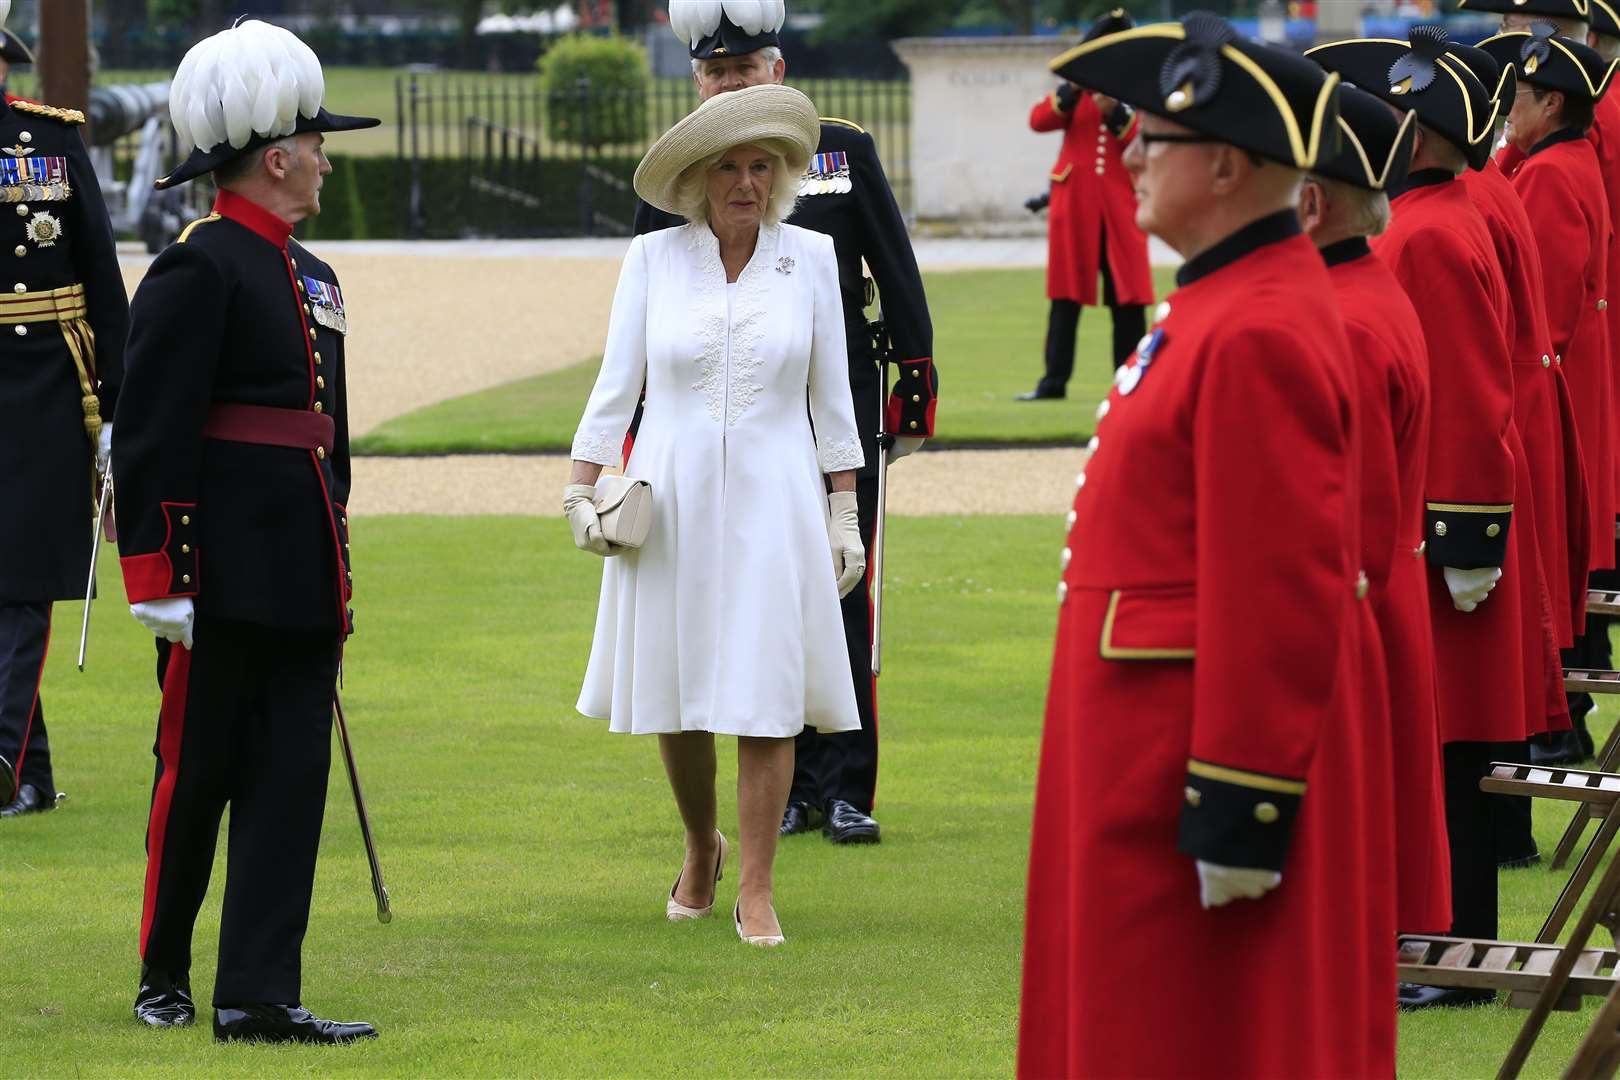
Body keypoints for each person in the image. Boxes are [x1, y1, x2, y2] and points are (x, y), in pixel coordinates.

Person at [1020, 15, 1395, 1077]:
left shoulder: (1259, 326)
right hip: (1143, 755)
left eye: (1155, 138)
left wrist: (1242, 796)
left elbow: (1280, 585)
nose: (1131, 155)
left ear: (1227, 164)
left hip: (1180, 772)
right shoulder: (1225, 304)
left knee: (1196, 1035)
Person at [113, 19, 378, 1042]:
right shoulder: (196, 268)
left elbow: (330, 437)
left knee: (288, 790)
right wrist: (157, 575)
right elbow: (150, 431)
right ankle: (163, 971)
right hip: (216, 574)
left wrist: (337, 549)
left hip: (303, 570)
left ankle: (258, 993)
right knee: (197, 777)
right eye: (315, 143)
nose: (322, 158)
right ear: (276, 158)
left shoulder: (317, 276)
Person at [566, 83, 865, 948]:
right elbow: (616, 385)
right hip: (671, 490)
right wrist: (578, 489)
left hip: (777, 496)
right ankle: (702, 845)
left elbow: (832, 399)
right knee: (678, 687)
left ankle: (759, 888)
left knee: (768, 687)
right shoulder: (654, 259)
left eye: (760, 166)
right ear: (701, 179)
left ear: (781, 176)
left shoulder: (810, 258)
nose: (746, 181)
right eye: (729, 167)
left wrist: (844, 512)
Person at [634, 1, 936, 845]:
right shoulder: (678, 168)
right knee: (754, 591)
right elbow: (653, 308)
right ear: (698, 80)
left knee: (841, 589)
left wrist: (914, 385)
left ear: (779, 69)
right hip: (729, 414)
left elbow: (895, 273)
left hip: (833, 402)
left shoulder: (843, 149)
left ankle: (845, 784)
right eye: (716, 72)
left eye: (746, 68)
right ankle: (790, 791)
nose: (730, 81)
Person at [1311, 26, 1528, 1009]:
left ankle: (1453, 952)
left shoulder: (1431, 233)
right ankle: (1445, 944)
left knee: (1449, 756)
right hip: (1437, 523)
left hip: (1440, 529)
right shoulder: (1440, 216)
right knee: (1450, 755)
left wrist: (1471, 532)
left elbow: (1474, 391)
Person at [1296, 85, 1452, 934]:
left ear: (1313, 203)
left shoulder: (1344, 320)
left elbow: (1341, 523)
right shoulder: (1358, 293)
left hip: (1361, 594)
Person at [1475, 0, 1620, 759]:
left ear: (1552, 103)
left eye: (1518, 101)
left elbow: (1545, 313)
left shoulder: (1553, 176)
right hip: (1571, 377)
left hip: (1545, 383)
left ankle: (1560, 723)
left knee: (1551, 566)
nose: (1507, 114)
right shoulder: (1554, 163)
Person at [0, 0, 128, 819]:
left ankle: (2, 755)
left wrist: (118, 410)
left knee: (26, 574)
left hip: (47, 376)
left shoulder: (49, 140)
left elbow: (103, 279)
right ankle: (32, 772)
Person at [1016, 8, 1152, 399]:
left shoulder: (1137, 90)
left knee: (1128, 298)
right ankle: (1053, 383)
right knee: (1065, 296)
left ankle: (1129, 381)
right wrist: (1074, 89)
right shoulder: (1076, 92)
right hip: (1074, 205)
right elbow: (1038, 120)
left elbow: (1141, 143)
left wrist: (1116, 114)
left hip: (1120, 205)